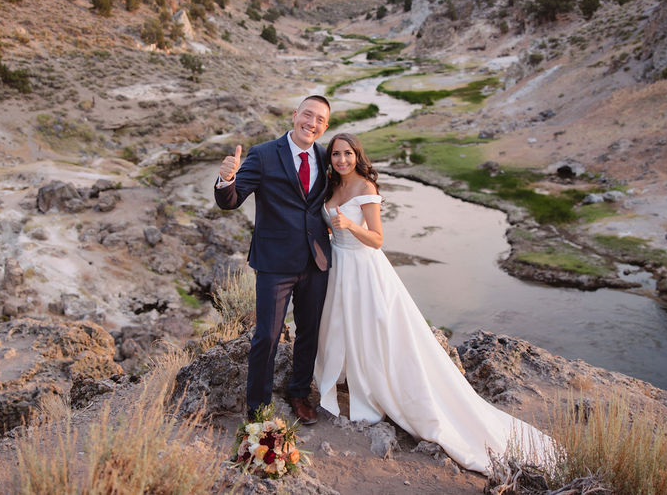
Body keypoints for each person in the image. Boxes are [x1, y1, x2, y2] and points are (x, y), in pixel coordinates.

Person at [314, 133, 554, 473]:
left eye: (347, 154)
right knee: (342, 324)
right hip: (339, 267)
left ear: (357, 155)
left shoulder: (366, 188)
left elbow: (378, 239)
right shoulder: (330, 186)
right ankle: (348, 376)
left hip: (364, 268)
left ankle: (376, 388)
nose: (341, 160)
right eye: (336, 154)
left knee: (373, 328)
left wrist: (350, 224)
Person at [215, 95, 332, 424]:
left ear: (325, 127)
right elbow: (231, 201)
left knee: (309, 331)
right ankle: (257, 407)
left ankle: (298, 394)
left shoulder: (327, 158)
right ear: (295, 115)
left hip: (317, 261)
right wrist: (227, 179)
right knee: (267, 334)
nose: (312, 123)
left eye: (320, 119)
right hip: (274, 262)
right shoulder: (264, 154)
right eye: (307, 115)